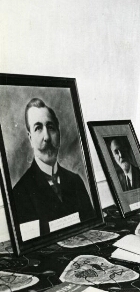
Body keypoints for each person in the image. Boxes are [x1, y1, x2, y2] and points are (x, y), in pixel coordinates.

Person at [13, 98, 94, 237]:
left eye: (50, 127)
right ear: (30, 138)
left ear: (59, 133)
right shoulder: (20, 194)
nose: (47, 137)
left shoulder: (75, 181)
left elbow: (92, 228)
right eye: (38, 128)